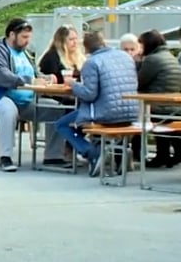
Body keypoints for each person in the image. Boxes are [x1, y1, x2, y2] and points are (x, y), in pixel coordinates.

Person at [53, 30, 140, 176]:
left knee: (62, 124)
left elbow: (89, 94)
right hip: (131, 112)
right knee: (82, 118)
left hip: (106, 113)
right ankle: (121, 152)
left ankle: (91, 153)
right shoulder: (126, 57)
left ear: (86, 48)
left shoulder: (91, 62)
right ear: (103, 42)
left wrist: (73, 84)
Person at [0, 18, 44, 173]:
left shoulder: (27, 53)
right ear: (12, 35)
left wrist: (45, 78)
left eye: (29, 37)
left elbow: (36, 74)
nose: (27, 41)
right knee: (8, 110)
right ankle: (5, 157)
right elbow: (2, 77)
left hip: (27, 100)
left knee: (55, 109)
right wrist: (29, 80)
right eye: (24, 37)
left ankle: (55, 155)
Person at [37, 24, 85, 167]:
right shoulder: (51, 57)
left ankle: (73, 146)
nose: (75, 43)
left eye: (76, 39)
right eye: (71, 39)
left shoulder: (78, 57)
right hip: (55, 97)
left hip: (73, 96)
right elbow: (49, 82)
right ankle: (70, 147)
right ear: (61, 41)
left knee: (88, 108)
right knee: (79, 110)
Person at [136, 29, 181, 168]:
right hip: (174, 105)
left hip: (160, 104)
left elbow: (139, 81)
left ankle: (162, 155)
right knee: (169, 127)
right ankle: (168, 155)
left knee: (157, 122)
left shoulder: (152, 60)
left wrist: (137, 63)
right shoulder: (169, 56)